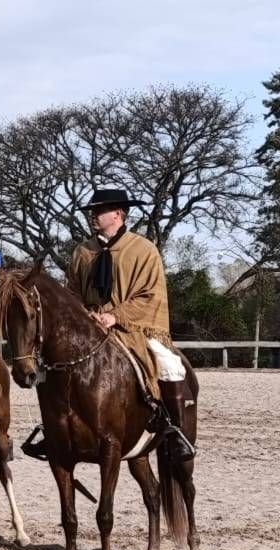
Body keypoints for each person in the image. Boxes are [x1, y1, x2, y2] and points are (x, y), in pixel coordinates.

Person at [67, 188, 195, 460]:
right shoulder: (82, 252)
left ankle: (175, 432)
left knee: (170, 365)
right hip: (91, 328)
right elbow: (72, 293)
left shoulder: (144, 250)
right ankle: (55, 429)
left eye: (99, 211)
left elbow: (150, 295)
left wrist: (115, 316)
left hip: (133, 329)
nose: (93, 215)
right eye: (92, 211)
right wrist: (85, 314)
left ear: (118, 213)